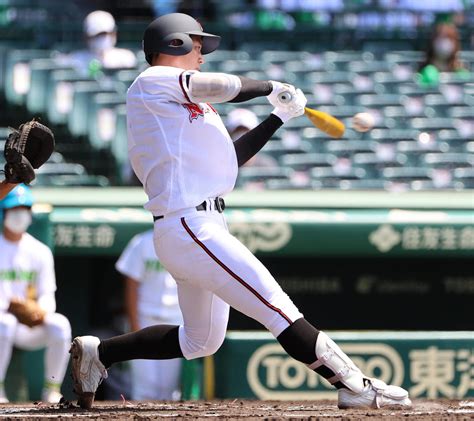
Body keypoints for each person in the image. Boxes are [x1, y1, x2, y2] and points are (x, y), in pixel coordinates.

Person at [70, 12, 412, 410]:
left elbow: (228, 160)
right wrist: (270, 86)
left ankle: (100, 353)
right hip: (189, 222)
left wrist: (276, 118)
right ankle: (355, 384)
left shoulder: (187, 106)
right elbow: (220, 86)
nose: (202, 54)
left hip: (201, 222)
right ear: (175, 43)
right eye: (197, 45)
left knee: (200, 341)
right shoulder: (152, 80)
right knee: (276, 305)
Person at [0, 185, 71, 403]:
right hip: (3, 321)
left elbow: (48, 293)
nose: (20, 214)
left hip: (30, 324)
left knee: (60, 324)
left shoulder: (40, 251)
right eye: (14, 208)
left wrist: (40, 312)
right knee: (5, 323)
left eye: (25, 208)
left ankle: (51, 389)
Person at [116, 230, 183, 401]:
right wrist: (134, 325)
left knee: (168, 388)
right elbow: (131, 286)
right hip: (145, 318)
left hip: (176, 319)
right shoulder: (142, 242)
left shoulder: (186, 242)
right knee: (145, 386)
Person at [64, 10, 137, 78]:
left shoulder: (126, 58)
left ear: (114, 33)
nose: (104, 38)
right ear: (86, 37)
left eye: (106, 33)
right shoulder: (75, 60)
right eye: (98, 35)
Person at [417, 21, 469, 87]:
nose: (443, 42)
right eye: (440, 38)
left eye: (448, 38)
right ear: (433, 41)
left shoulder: (461, 73)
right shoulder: (426, 72)